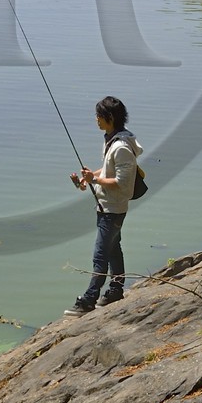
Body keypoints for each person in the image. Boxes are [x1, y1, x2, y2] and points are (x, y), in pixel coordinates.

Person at [64, 96, 142, 316]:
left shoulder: (121, 147)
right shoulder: (112, 140)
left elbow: (122, 183)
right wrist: (88, 178)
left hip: (113, 209)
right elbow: (108, 170)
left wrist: (94, 180)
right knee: (113, 250)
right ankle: (116, 289)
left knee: (100, 255)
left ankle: (89, 299)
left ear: (109, 118)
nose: (96, 120)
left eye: (99, 116)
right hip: (106, 207)